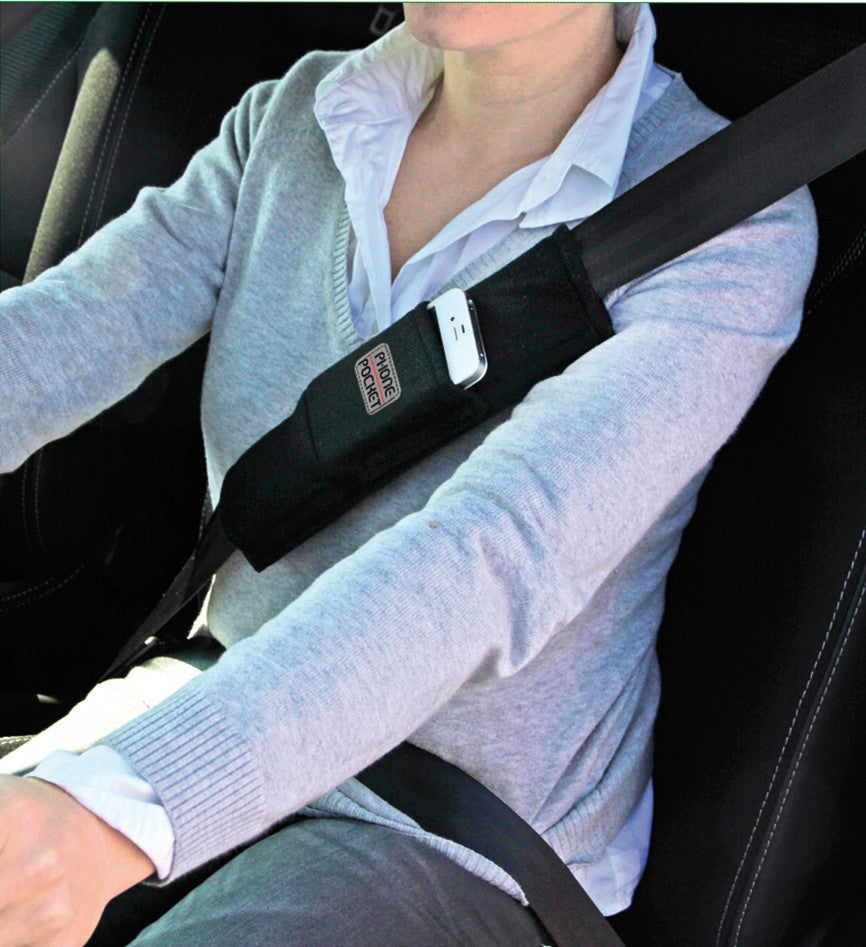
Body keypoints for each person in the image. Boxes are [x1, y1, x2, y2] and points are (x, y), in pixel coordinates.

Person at [0, 3, 817, 945]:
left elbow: (490, 558)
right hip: (203, 700)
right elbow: (63, 329)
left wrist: (121, 806)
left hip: (455, 830)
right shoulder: (301, 115)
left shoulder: (723, 216)